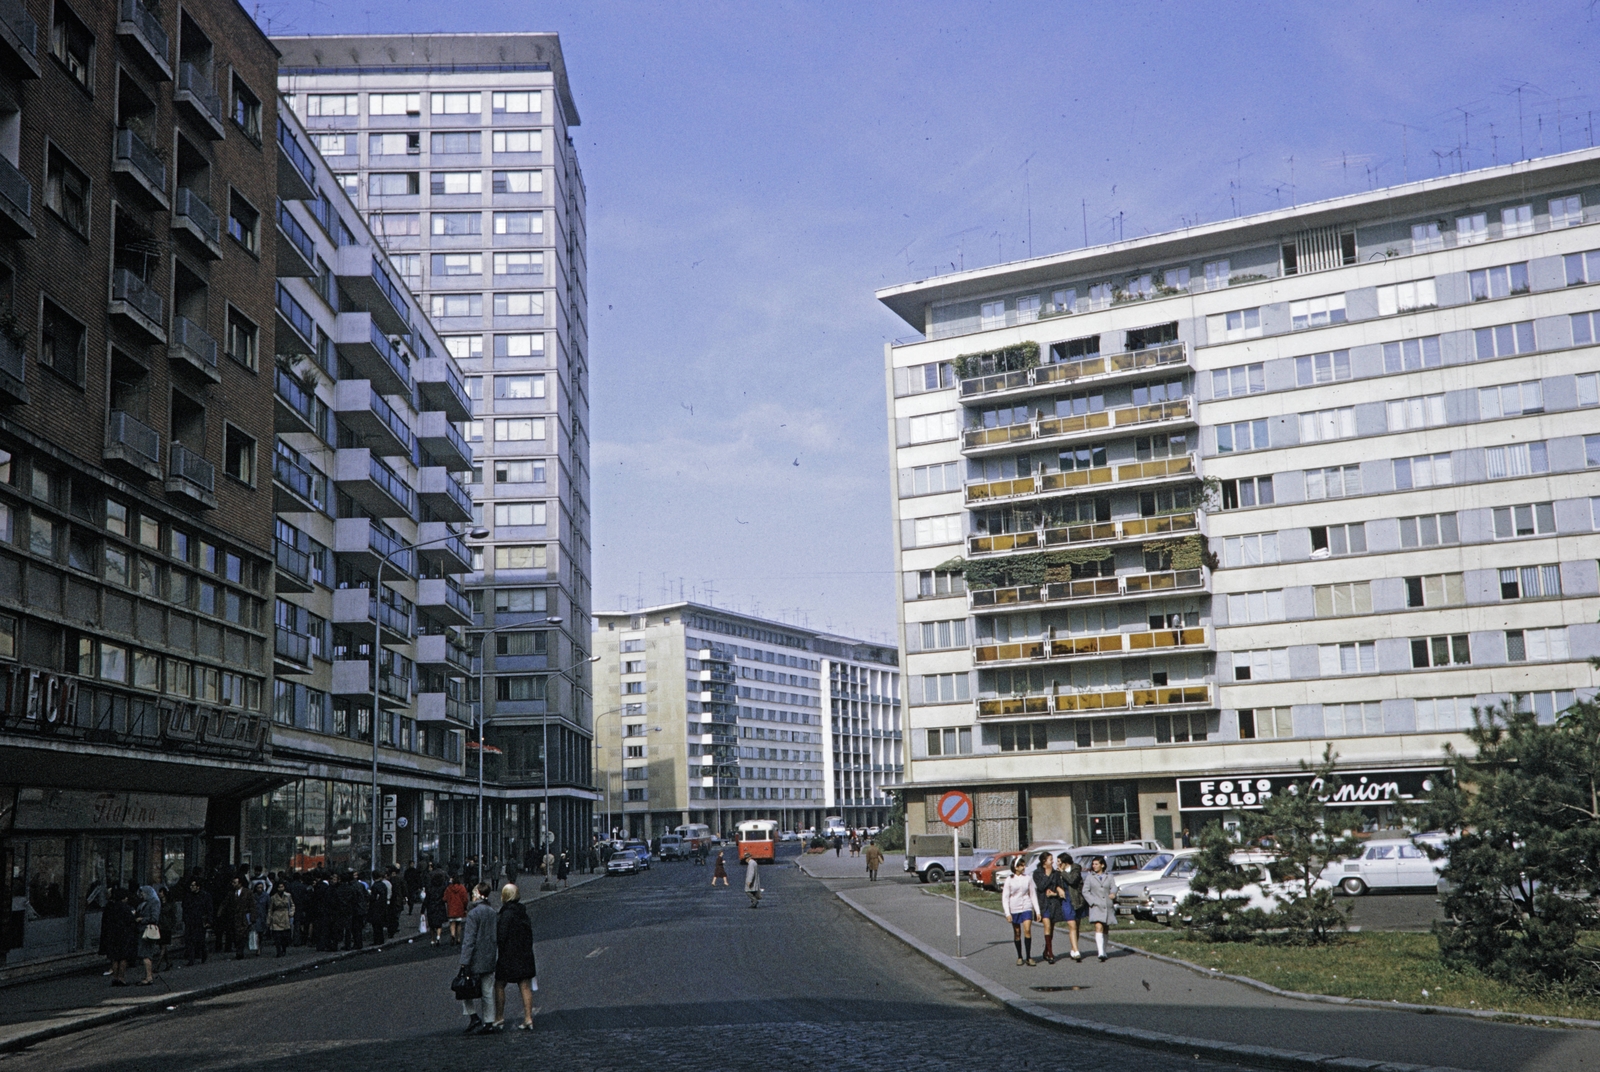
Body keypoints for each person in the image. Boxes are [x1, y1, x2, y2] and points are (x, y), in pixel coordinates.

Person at [493, 884, 538, 1031]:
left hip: (508, 955)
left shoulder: (505, 914)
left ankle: (499, 1017)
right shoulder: (522, 912)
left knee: (499, 985)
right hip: (524, 954)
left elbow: (501, 936)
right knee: (525, 986)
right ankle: (528, 1018)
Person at [458, 883, 499, 1035]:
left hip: (475, 958)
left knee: (464, 989)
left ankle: (473, 1016)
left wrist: (464, 961)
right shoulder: (492, 912)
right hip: (489, 956)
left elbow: (469, 940)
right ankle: (489, 1021)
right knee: (487, 991)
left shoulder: (473, 914)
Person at [1001, 858, 1042, 966]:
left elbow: (1033, 895)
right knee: (1017, 932)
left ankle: (1029, 956)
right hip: (1014, 908)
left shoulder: (1028, 878)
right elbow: (1005, 898)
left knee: (1027, 930)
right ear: (1016, 867)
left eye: (1024, 865)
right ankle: (1020, 956)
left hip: (1026, 906)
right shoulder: (1009, 880)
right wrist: (1007, 913)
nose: (1024, 868)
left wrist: (1037, 911)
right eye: (1022, 866)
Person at [1034, 852, 1069, 964]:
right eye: (1050, 859)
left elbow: (1059, 885)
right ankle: (1050, 953)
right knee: (1047, 926)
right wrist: (1048, 876)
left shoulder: (1055, 873)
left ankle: (1046, 951)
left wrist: (1056, 892)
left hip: (1054, 903)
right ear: (1044, 861)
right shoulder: (1037, 873)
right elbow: (1041, 886)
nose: (1052, 861)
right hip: (1043, 903)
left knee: (1051, 928)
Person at [1082, 855, 1118, 962]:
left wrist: (1113, 893)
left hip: (1107, 905)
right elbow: (1085, 891)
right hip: (1096, 906)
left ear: (1102, 865)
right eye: (1093, 864)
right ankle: (1100, 952)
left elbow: (1114, 887)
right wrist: (1092, 901)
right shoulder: (1090, 877)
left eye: (1096, 864)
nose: (1094, 866)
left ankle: (1104, 950)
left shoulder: (1109, 876)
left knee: (1105, 928)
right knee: (1098, 926)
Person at [103, 888, 138, 986]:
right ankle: (121, 978)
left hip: (113, 935)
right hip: (124, 935)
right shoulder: (126, 908)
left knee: (115, 958)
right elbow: (131, 921)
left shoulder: (111, 908)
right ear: (124, 898)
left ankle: (115, 978)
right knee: (123, 958)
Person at [1058, 853, 1088, 962]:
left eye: (1059, 861)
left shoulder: (1076, 869)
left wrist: (1063, 872)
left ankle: (1073, 948)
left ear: (1065, 862)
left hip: (1077, 899)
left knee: (1077, 925)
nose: (1057, 864)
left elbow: (1072, 880)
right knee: (1072, 925)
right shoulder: (1058, 871)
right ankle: (1076, 950)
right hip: (1066, 900)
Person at [134, 886, 162, 984]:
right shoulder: (144, 903)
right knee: (144, 954)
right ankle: (147, 975)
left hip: (147, 931)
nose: (142, 895)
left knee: (146, 953)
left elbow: (154, 918)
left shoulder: (154, 902)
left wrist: (142, 919)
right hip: (142, 931)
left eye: (143, 893)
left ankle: (149, 977)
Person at [181, 879, 212, 966]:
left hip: (200, 921)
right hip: (190, 921)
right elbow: (185, 908)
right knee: (189, 940)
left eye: (193, 886)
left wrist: (209, 921)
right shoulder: (188, 896)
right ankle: (191, 959)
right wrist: (185, 919)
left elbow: (209, 909)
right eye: (191, 886)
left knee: (200, 940)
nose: (191, 887)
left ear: (198, 887)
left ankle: (203, 954)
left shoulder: (205, 896)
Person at [267, 881, 294, 957]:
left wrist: (291, 913)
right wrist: (269, 920)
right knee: (277, 936)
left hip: (285, 916)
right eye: (279, 887)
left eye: (282, 887)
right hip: (276, 917)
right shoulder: (273, 897)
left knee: (285, 936)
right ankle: (278, 951)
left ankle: (284, 949)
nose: (280, 888)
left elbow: (292, 905)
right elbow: (270, 909)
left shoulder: (288, 896)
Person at [444, 874, 470, 945]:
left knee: (452, 923)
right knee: (458, 924)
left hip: (451, 908)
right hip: (459, 908)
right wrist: (465, 907)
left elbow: (445, 898)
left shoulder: (448, 888)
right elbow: (465, 899)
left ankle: (452, 935)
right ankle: (458, 938)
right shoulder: (462, 888)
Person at [426, 869, 449, 946]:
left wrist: (423, 909)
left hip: (431, 907)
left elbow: (427, 899)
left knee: (432, 925)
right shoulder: (442, 888)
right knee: (439, 924)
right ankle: (438, 937)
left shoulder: (430, 888)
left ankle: (432, 939)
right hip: (440, 906)